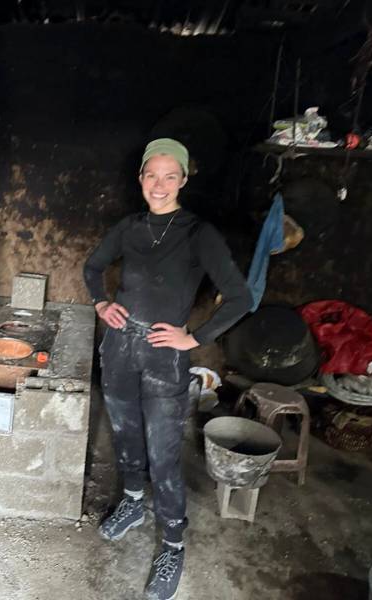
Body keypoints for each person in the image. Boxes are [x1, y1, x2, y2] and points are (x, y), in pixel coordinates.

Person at [83, 138, 251, 600]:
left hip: (164, 354)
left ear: (183, 180)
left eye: (169, 176)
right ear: (141, 179)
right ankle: (134, 503)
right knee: (125, 433)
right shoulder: (129, 226)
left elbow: (241, 297)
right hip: (119, 347)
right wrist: (101, 303)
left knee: (163, 452)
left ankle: (173, 544)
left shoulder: (199, 234)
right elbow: (94, 267)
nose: (159, 185)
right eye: (151, 175)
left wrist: (193, 338)